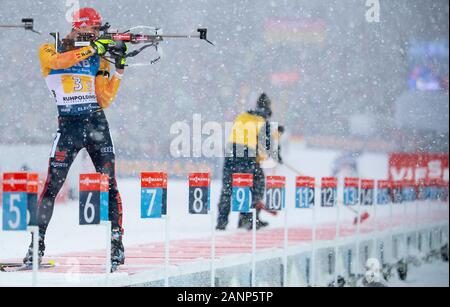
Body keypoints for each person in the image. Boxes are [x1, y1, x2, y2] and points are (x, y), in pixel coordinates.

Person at [23, 7, 127, 270]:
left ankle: (117, 245)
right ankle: (36, 245)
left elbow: (104, 99)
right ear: (78, 27)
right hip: (68, 126)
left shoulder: (98, 59)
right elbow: (58, 63)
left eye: (96, 31)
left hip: (96, 123)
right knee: (51, 188)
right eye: (90, 29)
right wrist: (93, 49)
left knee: (110, 184)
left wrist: (118, 70)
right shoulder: (50, 48)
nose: (94, 34)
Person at [216, 93, 281, 231]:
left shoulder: (242, 116)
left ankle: (221, 222)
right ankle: (248, 219)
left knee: (228, 188)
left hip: (230, 154)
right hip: (246, 156)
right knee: (254, 185)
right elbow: (268, 146)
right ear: (267, 112)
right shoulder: (263, 122)